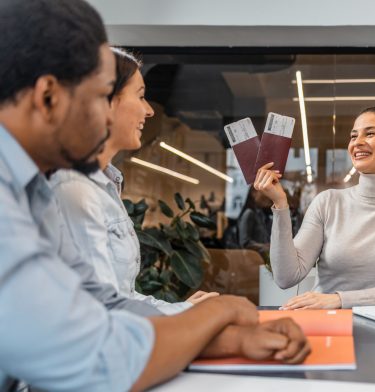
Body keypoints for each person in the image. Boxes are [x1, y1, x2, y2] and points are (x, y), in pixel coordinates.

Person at [0, 1, 310, 391]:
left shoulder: (34, 190)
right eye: (100, 96)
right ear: (48, 97)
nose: (107, 115)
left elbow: (104, 304)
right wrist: (217, 312)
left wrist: (232, 336)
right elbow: (96, 360)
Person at [50, 47, 217, 315]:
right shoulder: (74, 189)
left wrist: (184, 311)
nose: (149, 110)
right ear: (106, 101)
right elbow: (103, 309)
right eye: (140, 96)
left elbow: (122, 296)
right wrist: (186, 319)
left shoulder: (106, 184)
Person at [254, 105, 375, 310]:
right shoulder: (327, 202)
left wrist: (339, 299)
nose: (357, 142)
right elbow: (286, 277)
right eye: (353, 136)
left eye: (370, 133)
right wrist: (280, 205)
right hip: (326, 324)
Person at [237, 186, 273, 261]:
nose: (268, 195)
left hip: (261, 261)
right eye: (264, 192)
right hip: (252, 262)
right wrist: (266, 246)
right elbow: (245, 243)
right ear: (254, 192)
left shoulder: (261, 215)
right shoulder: (249, 213)